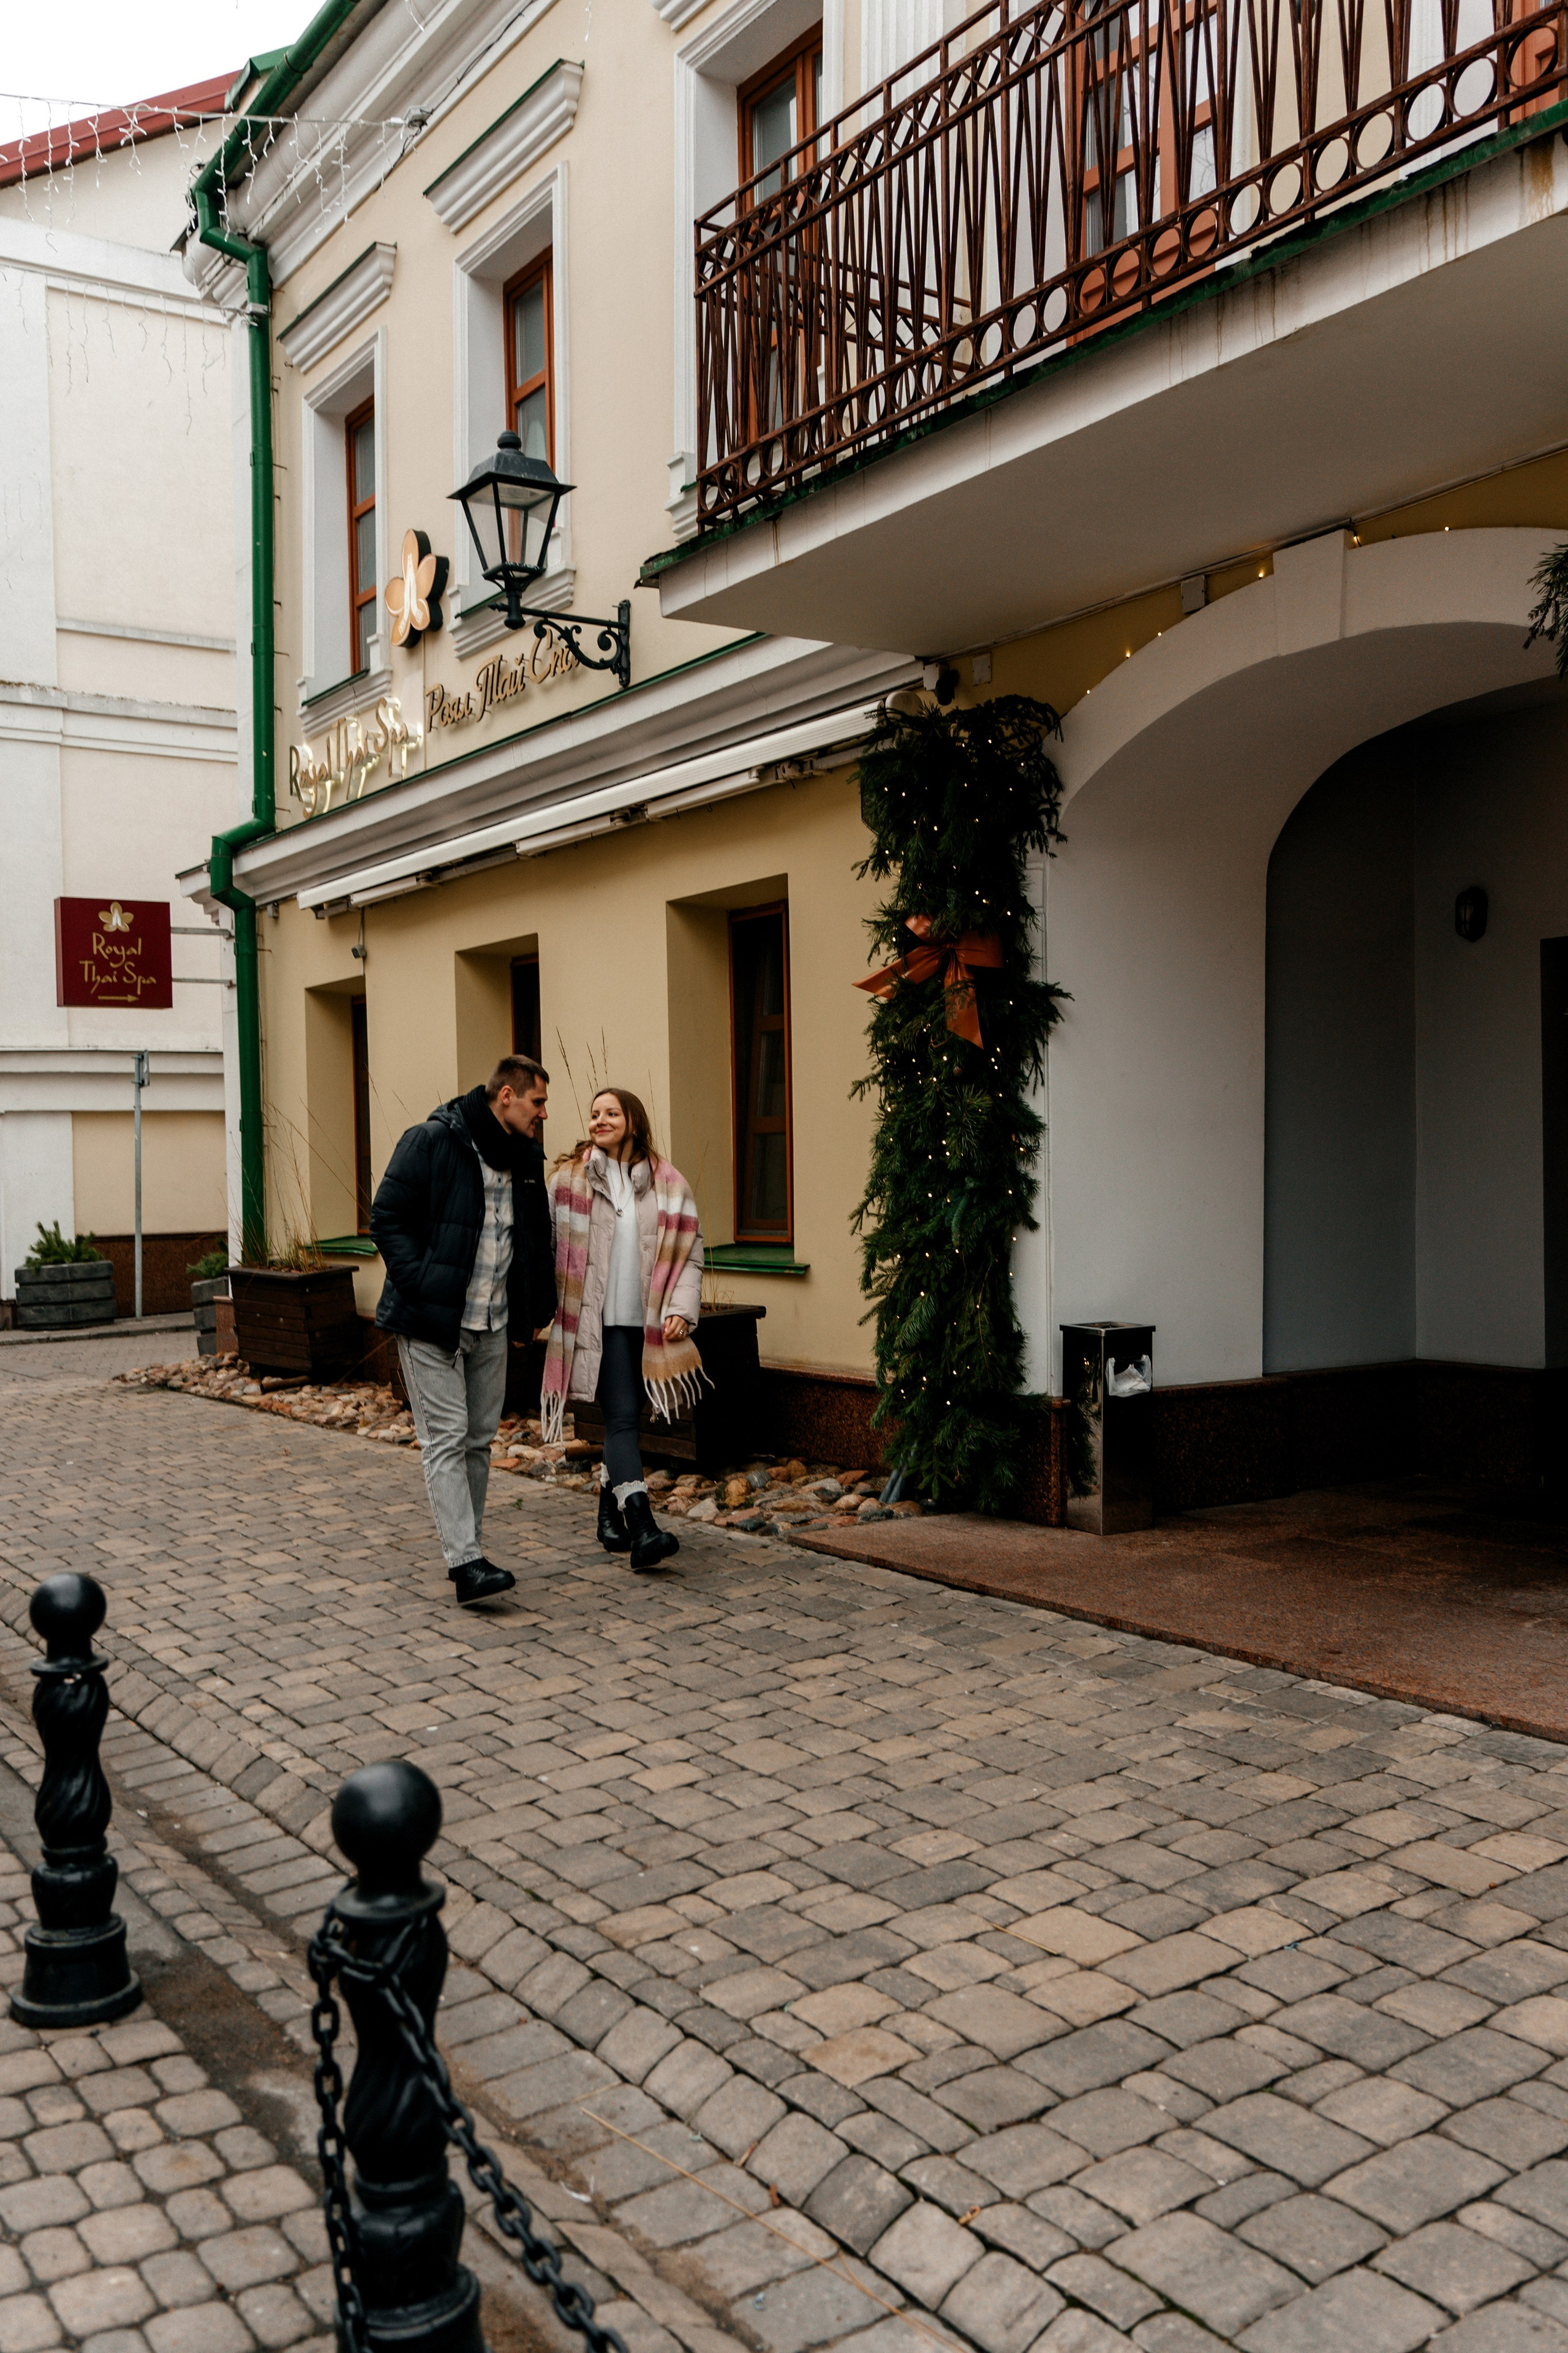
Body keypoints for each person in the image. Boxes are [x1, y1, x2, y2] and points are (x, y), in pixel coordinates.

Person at [370, 1054, 554, 1606]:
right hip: (432, 1320)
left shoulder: (524, 1156)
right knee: (446, 1438)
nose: (543, 1113)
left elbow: (532, 1236)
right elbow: (387, 1217)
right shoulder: (434, 1139)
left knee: (478, 1439)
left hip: (492, 1320)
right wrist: (424, 1284)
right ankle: (466, 1561)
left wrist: (533, 1308)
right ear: (506, 1097)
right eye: (537, 1102)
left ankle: (466, 1548)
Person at [541, 1088, 706, 1571]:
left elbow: (690, 1253)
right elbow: (548, 1246)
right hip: (603, 1323)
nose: (600, 1120)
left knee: (627, 1420)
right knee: (621, 1422)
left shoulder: (669, 1184)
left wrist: (682, 1307)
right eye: (594, 1114)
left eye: (611, 1113)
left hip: (649, 1324)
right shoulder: (569, 1181)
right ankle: (642, 1526)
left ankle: (607, 1516)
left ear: (632, 1120)